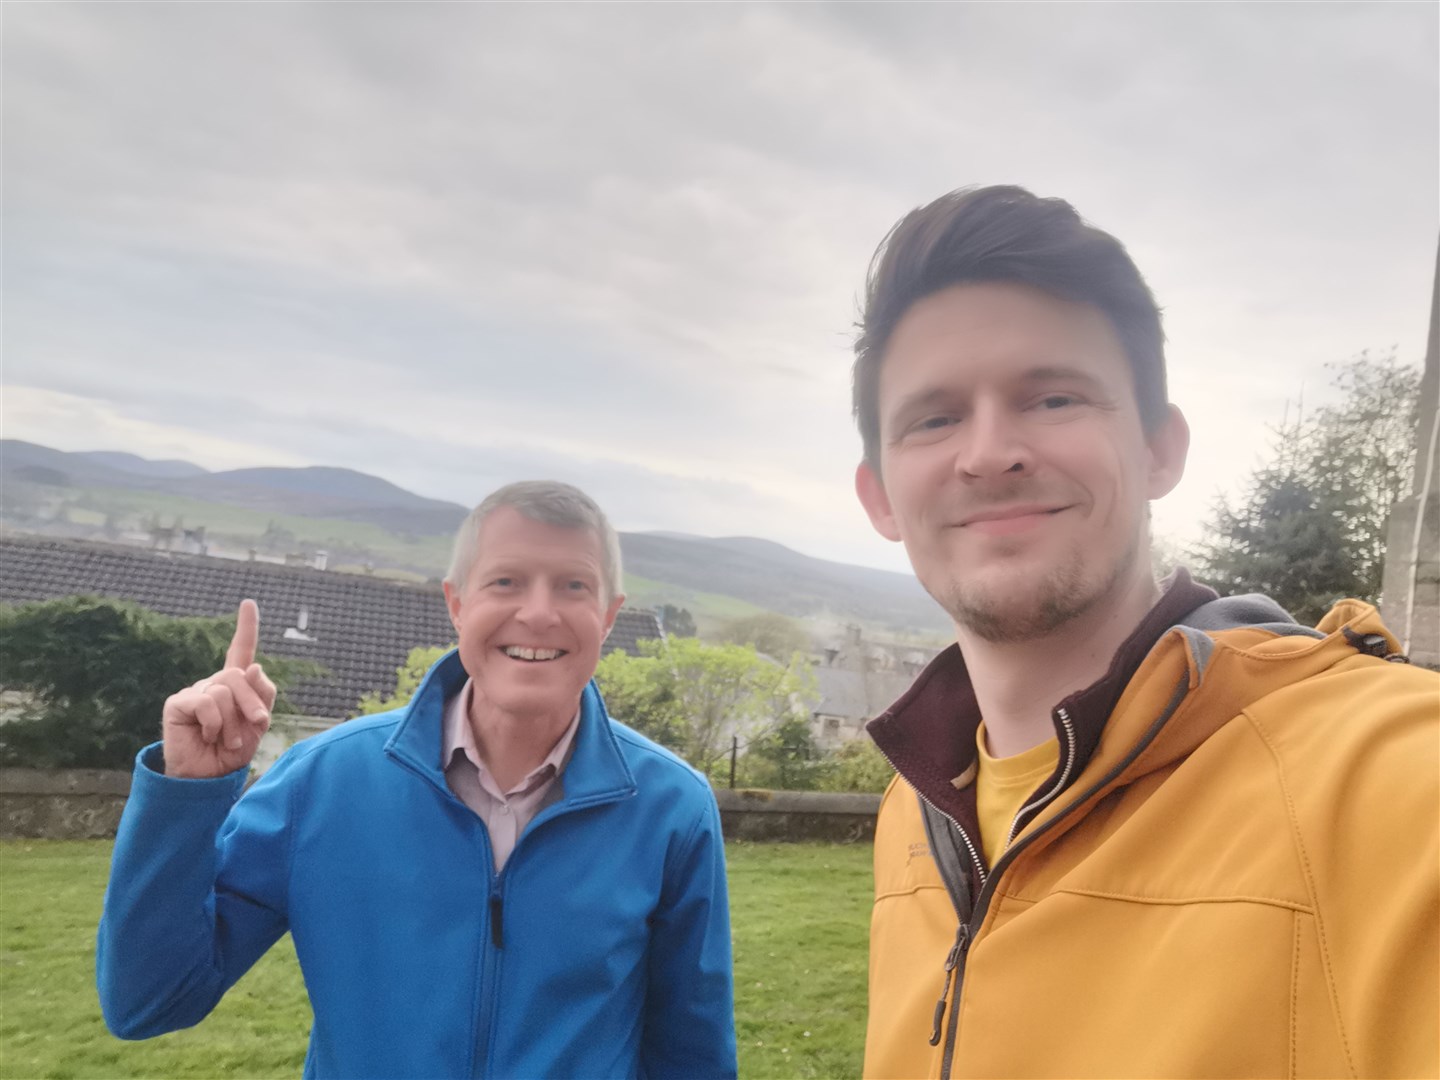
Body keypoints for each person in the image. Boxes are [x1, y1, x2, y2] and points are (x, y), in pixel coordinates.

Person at [850, 185, 1438, 1078]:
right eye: (935, 418)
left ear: (1161, 450)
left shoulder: (1383, 777)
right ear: (880, 497)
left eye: (1052, 398)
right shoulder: (920, 807)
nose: (989, 452)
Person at [97, 481, 737, 1080]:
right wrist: (184, 796)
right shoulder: (324, 782)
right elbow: (149, 1002)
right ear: (457, 604)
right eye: (506, 581)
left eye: (573, 585)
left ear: (609, 614)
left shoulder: (671, 806)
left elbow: (693, 1049)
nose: (539, 613)